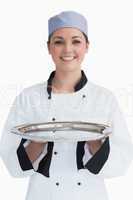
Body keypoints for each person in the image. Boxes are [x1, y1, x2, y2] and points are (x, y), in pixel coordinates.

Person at [0, 10, 133, 200]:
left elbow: (120, 163)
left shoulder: (104, 98)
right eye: (59, 41)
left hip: (89, 194)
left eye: (76, 41)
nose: (67, 49)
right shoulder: (28, 97)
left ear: (87, 46)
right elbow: (12, 164)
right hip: (43, 194)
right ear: (48, 47)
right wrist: (38, 140)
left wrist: (94, 139)